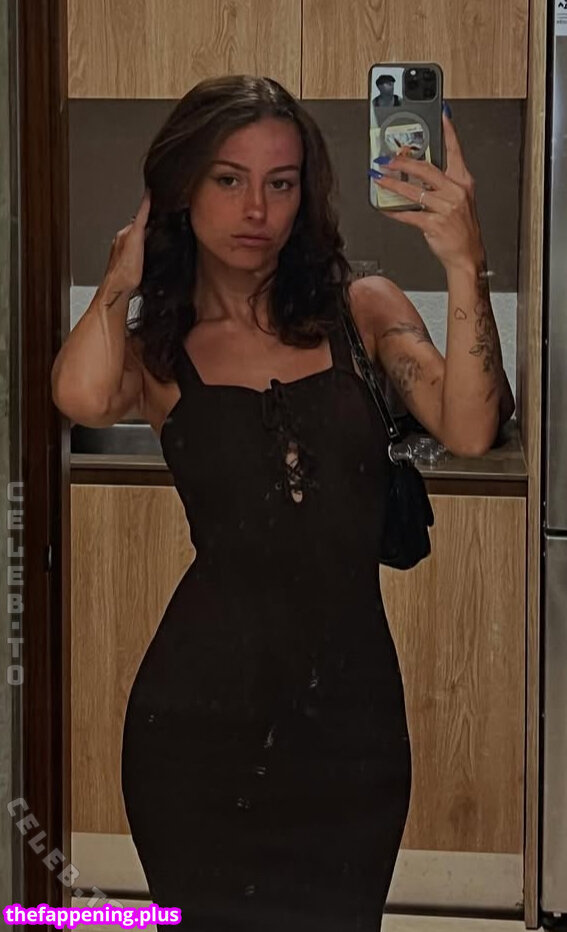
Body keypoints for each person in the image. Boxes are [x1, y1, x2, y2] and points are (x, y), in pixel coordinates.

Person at [51, 74, 514, 931]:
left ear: (307, 194)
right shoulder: (157, 349)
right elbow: (79, 396)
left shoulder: (362, 309)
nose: (256, 208)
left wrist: (462, 262)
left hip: (352, 726)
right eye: (227, 179)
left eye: (281, 181)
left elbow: (470, 426)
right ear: (181, 188)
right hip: (196, 723)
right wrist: (123, 272)